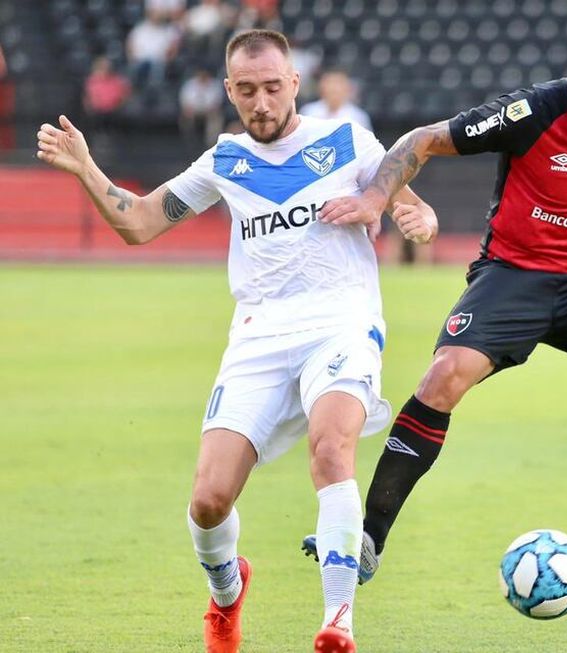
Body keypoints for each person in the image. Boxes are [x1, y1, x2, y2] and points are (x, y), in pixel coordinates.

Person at [36, 29, 437, 653]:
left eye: (273, 87)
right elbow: (139, 223)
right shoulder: (224, 160)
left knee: (333, 450)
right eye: (247, 90)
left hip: (341, 322)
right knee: (207, 500)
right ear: (230, 91)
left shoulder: (346, 142)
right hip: (258, 337)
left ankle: (339, 621)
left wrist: (418, 217)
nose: (262, 102)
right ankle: (227, 595)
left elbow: (416, 207)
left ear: (294, 83)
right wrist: (87, 168)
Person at [305, 14, 567, 597]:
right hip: (513, 278)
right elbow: (422, 140)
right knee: (443, 377)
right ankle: (368, 538)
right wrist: (377, 197)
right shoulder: (532, 112)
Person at [300, 69, 373, 132]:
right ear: (321, 87)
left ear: (347, 87)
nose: (334, 88)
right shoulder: (308, 111)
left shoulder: (358, 117)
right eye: (329, 83)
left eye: (338, 83)